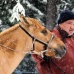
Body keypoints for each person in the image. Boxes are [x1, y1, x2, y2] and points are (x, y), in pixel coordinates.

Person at [32, 10, 74, 74]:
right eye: (69, 23)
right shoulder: (51, 36)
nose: (72, 27)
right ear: (60, 23)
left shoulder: (72, 39)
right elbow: (36, 54)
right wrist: (43, 55)